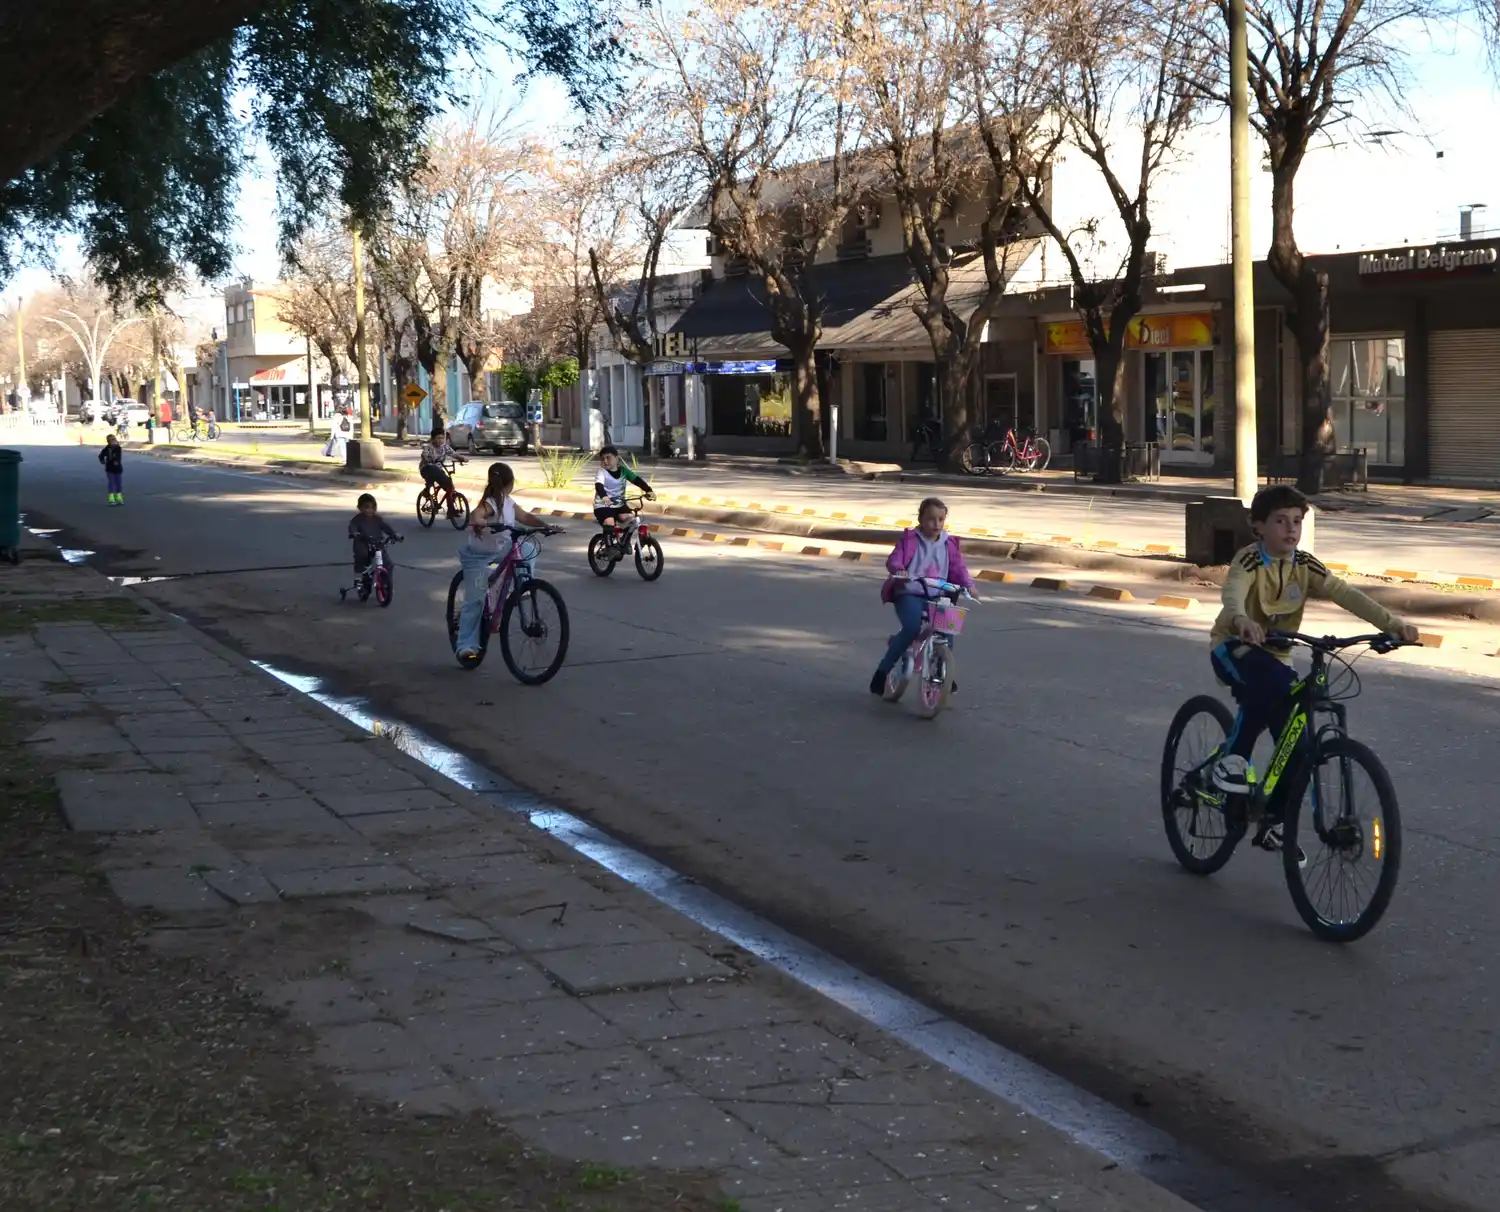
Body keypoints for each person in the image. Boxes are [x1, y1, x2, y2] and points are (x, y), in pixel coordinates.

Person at [1208, 485, 1419, 852]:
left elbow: (1345, 592)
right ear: (1258, 527)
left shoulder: (1305, 565)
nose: (1290, 529)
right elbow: (1233, 593)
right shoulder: (1249, 560)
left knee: (1300, 748)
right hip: (1234, 647)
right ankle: (1234, 761)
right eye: (1279, 521)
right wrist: (1242, 620)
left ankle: (1273, 819)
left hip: (1277, 656)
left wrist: (1391, 625)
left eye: (1297, 521)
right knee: (1272, 684)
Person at [870, 497, 976, 695]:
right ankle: (882, 672)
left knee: (948, 632)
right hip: (909, 593)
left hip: (938, 595)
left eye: (940, 519)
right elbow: (895, 559)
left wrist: (969, 585)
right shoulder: (909, 540)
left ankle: (944, 672)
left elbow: (959, 568)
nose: (936, 524)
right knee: (911, 628)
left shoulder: (949, 544)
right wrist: (899, 570)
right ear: (920, 519)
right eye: (930, 519)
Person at [455, 463, 557, 659]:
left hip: (499, 549)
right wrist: (480, 521)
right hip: (477, 555)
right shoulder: (490, 503)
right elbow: (477, 514)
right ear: (510, 483)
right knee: (474, 601)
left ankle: (519, 586)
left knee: (527, 548)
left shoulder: (508, 502)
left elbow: (525, 516)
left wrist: (545, 526)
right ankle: (466, 646)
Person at [593, 445, 655, 539]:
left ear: (617, 458)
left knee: (631, 521)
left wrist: (649, 490)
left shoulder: (623, 471)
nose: (605, 461)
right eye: (602, 459)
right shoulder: (601, 472)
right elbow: (599, 486)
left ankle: (624, 541)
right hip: (603, 505)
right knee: (609, 523)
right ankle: (609, 548)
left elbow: (637, 480)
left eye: (608, 458)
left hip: (619, 504)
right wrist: (604, 496)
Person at [347, 492, 399, 577]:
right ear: (359, 508)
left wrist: (394, 534)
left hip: (377, 543)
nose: (370, 510)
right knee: (362, 555)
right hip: (363, 543)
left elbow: (386, 527)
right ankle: (360, 577)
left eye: (373, 507)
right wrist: (354, 533)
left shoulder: (378, 519)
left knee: (388, 564)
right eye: (367, 507)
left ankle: (387, 585)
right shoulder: (357, 519)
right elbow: (353, 526)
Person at [419, 424, 467, 515]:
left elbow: (454, 454)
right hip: (427, 470)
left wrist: (462, 458)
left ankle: (451, 510)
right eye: (438, 438)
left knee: (450, 487)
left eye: (442, 438)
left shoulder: (445, 447)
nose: (440, 440)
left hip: (439, 471)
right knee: (433, 470)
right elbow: (424, 455)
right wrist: (428, 459)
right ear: (432, 439)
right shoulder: (428, 447)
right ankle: (427, 490)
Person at [98, 433, 125, 506]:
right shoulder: (106, 449)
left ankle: (119, 497)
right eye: (112, 439)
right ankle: (111, 498)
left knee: (118, 483)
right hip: (110, 469)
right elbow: (101, 456)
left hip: (118, 469)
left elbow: (118, 457)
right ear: (108, 441)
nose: (114, 440)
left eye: (115, 439)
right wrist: (102, 460)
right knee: (111, 483)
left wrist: (116, 461)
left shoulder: (118, 448)